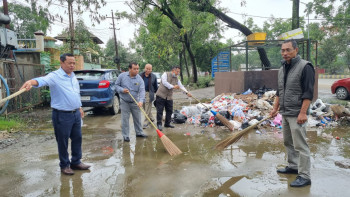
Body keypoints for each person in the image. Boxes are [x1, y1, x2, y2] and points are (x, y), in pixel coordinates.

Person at [20, 53, 90, 175]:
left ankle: (76, 161)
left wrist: (79, 107)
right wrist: (31, 82)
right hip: (62, 115)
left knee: (77, 138)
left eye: (74, 63)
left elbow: (75, 93)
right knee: (62, 141)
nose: (72, 65)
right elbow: (42, 80)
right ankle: (64, 165)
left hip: (75, 114)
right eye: (70, 63)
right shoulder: (54, 76)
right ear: (62, 63)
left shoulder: (72, 76)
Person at [270, 39, 315, 187]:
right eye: (283, 50)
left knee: (301, 145)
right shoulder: (283, 68)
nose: (285, 53)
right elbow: (279, 91)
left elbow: (308, 93)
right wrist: (275, 108)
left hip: (297, 113)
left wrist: (303, 113)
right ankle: (293, 167)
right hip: (285, 112)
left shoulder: (305, 67)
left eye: (288, 50)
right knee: (288, 142)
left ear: (296, 50)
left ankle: (305, 176)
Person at [115, 62, 147, 142]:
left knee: (137, 118)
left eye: (137, 69)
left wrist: (141, 101)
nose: (136, 71)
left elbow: (142, 90)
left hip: (135, 101)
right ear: (130, 69)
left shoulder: (139, 79)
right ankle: (126, 135)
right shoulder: (122, 76)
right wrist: (122, 90)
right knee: (125, 119)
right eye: (134, 69)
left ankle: (139, 132)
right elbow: (116, 86)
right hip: (124, 101)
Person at [155, 66, 192, 131]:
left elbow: (181, 86)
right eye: (177, 71)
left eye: (179, 72)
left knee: (169, 110)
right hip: (161, 95)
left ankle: (167, 123)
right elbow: (165, 83)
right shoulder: (165, 74)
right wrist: (173, 86)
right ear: (173, 70)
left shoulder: (177, 79)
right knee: (160, 110)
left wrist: (187, 92)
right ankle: (159, 124)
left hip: (169, 96)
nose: (178, 73)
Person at [139, 63, 158, 129]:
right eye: (147, 68)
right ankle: (152, 118)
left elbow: (156, 86)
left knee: (147, 108)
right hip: (141, 93)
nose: (148, 70)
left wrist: (157, 94)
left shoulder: (153, 76)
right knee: (144, 108)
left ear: (151, 70)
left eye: (149, 69)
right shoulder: (140, 75)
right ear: (145, 68)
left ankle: (146, 122)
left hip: (149, 93)